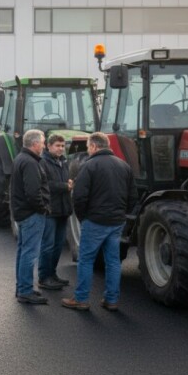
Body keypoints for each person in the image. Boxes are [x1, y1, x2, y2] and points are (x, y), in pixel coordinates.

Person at [62, 132, 137, 312]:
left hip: (95, 221)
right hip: (117, 222)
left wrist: (83, 217)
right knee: (113, 262)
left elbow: (79, 197)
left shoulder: (89, 166)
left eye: (88, 147)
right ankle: (111, 300)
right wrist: (122, 214)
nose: (88, 150)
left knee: (86, 260)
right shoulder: (124, 166)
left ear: (94, 146)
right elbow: (133, 197)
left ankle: (81, 299)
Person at [11, 129, 51, 305]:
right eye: (43, 142)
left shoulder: (22, 159)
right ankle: (26, 291)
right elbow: (33, 192)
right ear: (35, 144)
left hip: (22, 212)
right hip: (31, 213)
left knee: (23, 250)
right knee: (30, 253)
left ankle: (22, 287)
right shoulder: (30, 163)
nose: (44, 146)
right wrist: (42, 208)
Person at [38, 134, 73, 290]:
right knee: (48, 245)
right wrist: (65, 186)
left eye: (62, 146)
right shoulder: (43, 163)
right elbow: (45, 185)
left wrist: (69, 183)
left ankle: (53, 274)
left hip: (63, 210)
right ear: (49, 146)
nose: (60, 148)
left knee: (58, 245)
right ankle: (44, 277)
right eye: (57, 145)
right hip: (50, 210)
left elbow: (66, 181)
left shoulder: (63, 162)